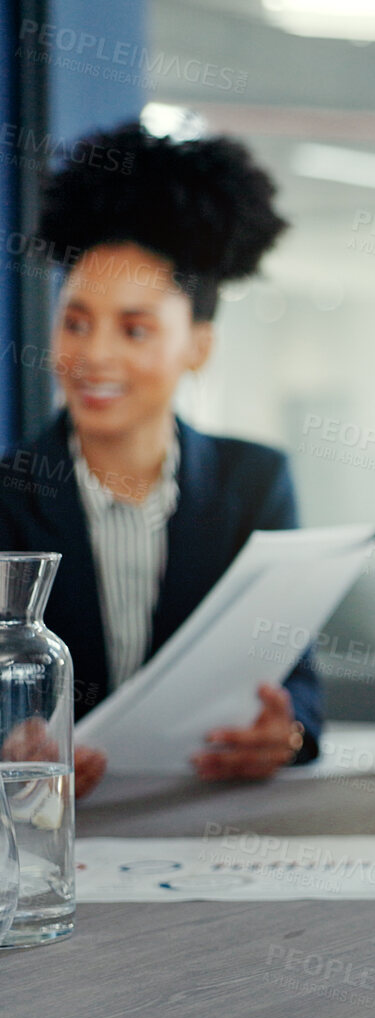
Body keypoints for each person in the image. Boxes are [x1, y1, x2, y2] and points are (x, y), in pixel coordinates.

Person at [0, 121, 321, 799]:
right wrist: (11, 745)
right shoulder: (8, 494)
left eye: (134, 328)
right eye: (76, 320)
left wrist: (283, 732)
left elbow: (297, 682)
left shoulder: (256, 484)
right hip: (48, 836)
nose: (94, 356)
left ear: (198, 344)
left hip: (208, 819)